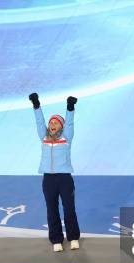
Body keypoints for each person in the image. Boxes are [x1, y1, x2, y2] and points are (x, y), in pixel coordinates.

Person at [29, 93, 81, 252]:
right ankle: (56, 240)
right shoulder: (44, 137)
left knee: (69, 208)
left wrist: (70, 108)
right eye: (51, 122)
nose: (52, 124)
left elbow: (70, 123)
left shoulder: (66, 138)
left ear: (61, 127)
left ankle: (72, 238)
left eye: (56, 123)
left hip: (64, 179)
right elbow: (39, 122)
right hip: (48, 180)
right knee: (51, 209)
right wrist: (36, 105)